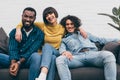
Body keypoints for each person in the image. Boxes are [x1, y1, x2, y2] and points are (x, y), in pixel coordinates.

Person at [15, 7, 87, 80]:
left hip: (58, 52)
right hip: (45, 55)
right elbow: (26, 21)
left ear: (55, 14)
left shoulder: (62, 28)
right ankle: (43, 76)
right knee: (52, 57)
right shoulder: (42, 26)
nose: (49, 16)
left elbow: (72, 26)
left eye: (50, 13)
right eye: (46, 15)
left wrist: (80, 29)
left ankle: (43, 74)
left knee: (47, 47)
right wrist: (18, 30)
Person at [56, 15, 120, 80]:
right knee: (60, 59)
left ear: (75, 24)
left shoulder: (85, 33)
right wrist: (65, 52)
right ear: (65, 26)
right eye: (67, 24)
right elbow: (62, 49)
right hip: (77, 57)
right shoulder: (64, 39)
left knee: (109, 55)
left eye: (72, 24)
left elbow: (100, 40)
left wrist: (117, 40)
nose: (69, 26)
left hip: (92, 54)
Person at [0, 7, 44, 80]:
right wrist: (13, 63)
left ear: (34, 18)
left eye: (31, 17)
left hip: (27, 61)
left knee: (36, 56)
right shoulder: (14, 32)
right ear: (22, 16)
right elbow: (13, 50)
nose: (28, 19)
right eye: (25, 16)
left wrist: (18, 63)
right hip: (13, 59)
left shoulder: (39, 34)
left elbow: (31, 51)